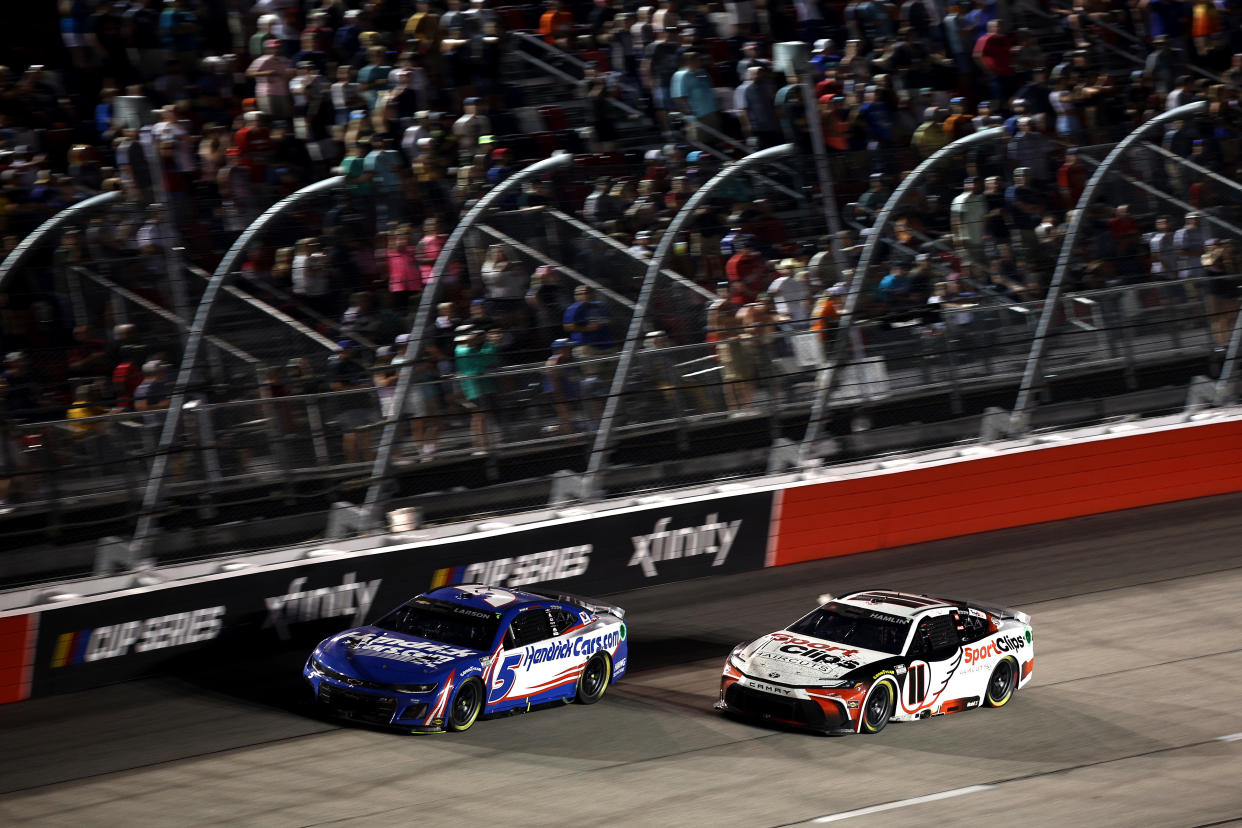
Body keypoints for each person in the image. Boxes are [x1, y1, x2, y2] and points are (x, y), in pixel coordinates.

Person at [327, 341, 375, 464]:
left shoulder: (353, 363)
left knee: (365, 433)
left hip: (361, 403)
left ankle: (368, 462)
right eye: (351, 349)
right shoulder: (336, 364)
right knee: (351, 434)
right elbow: (336, 385)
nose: (354, 351)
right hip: (347, 405)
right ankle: (352, 463)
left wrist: (363, 387)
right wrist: (359, 388)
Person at [454, 326, 500, 451]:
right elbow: (485, 360)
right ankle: (481, 445)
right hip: (475, 386)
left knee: (479, 415)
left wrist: (485, 342)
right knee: (479, 415)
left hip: (477, 385)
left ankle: (481, 443)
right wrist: (491, 344)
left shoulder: (464, 348)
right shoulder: (465, 350)